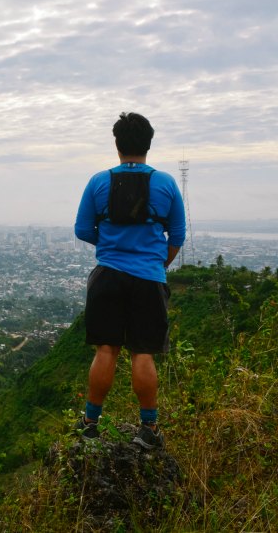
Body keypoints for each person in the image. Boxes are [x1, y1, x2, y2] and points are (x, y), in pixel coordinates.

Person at [73, 112, 186, 449]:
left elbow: (82, 229)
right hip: (148, 279)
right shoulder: (165, 183)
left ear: (117, 144)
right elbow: (177, 234)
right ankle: (148, 429)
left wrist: (111, 246)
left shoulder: (99, 182)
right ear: (148, 144)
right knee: (143, 352)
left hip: (108, 276)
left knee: (105, 349)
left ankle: (90, 422)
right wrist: (155, 262)